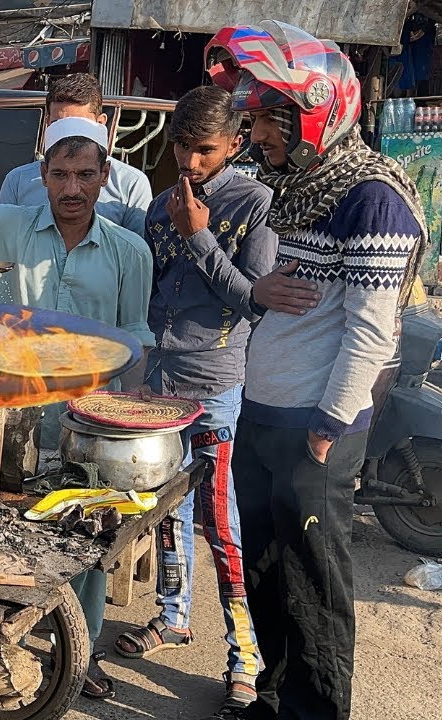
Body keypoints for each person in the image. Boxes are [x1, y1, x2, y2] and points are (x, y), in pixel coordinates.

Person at [206, 21, 427, 720]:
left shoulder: (373, 199)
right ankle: (273, 696)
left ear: (312, 111)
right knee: (268, 572)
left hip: (315, 428)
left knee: (314, 583)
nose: (256, 135)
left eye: (266, 119)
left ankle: (318, 711)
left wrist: (329, 427)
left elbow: (368, 331)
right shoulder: (302, 186)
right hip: (267, 409)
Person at [0, 117, 155, 700]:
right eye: (61, 174)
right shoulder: (9, 227)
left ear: (105, 177)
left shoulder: (128, 251)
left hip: (84, 423)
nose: (72, 188)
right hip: (5, 418)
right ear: (41, 176)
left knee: (89, 538)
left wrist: (123, 415)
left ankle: (81, 650)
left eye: (86, 175)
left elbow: (136, 337)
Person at [112, 85, 276, 719]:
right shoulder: (158, 207)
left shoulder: (255, 204)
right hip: (160, 384)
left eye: (204, 150)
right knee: (162, 505)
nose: (189, 162)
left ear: (234, 145)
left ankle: (245, 658)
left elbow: (254, 300)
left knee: (221, 522)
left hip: (214, 388)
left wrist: (202, 238)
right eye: (181, 146)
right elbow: (154, 296)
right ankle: (173, 615)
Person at [0, 73, 152, 237]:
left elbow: (138, 253)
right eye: (59, 126)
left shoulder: (131, 183)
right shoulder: (18, 181)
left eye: (79, 127)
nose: (68, 138)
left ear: (100, 123)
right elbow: (2, 246)